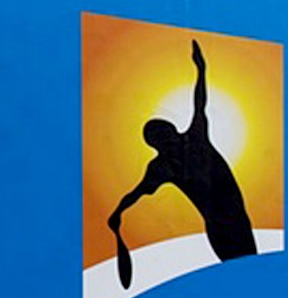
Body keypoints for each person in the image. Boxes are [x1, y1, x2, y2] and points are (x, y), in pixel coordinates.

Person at [106, 40, 257, 273]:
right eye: (157, 139)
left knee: (252, 272)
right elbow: (134, 194)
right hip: (218, 229)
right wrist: (118, 213)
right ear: (155, 146)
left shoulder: (196, 137)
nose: (164, 140)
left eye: (164, 133)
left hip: (238, 221)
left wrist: (201, 69)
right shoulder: (161, 167)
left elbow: (199, 103)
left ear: (174, 131)